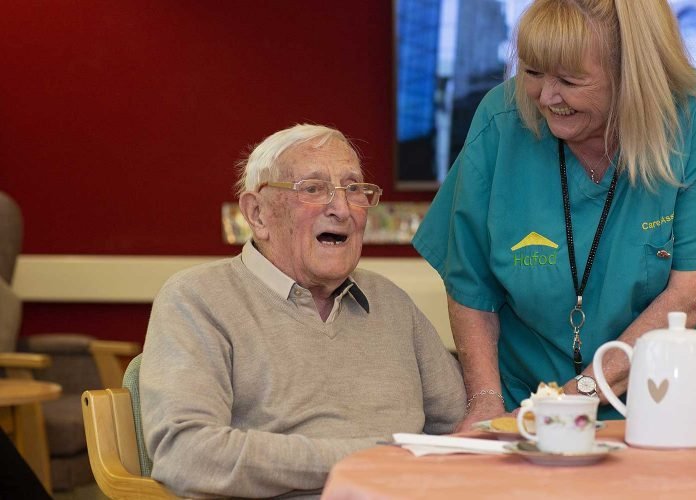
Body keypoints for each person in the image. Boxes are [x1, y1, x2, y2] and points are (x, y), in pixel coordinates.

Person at [413, 0, 696, 430]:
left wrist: (575, 399)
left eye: (569, 80)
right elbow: (470, 282)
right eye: (533, 72)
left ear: (631, 75)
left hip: (673, 408)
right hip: (527, 404)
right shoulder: (502, 120)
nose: (545, 96)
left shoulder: (695, 117)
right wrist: (486, 400)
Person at [140, 124, 465, 498]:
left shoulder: (391, 302)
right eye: (313, 189)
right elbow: (188, 454)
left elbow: (460, 428)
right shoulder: (198, 298)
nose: (342, 209)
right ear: (258, 214)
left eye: (354, 189)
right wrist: (372, 458)